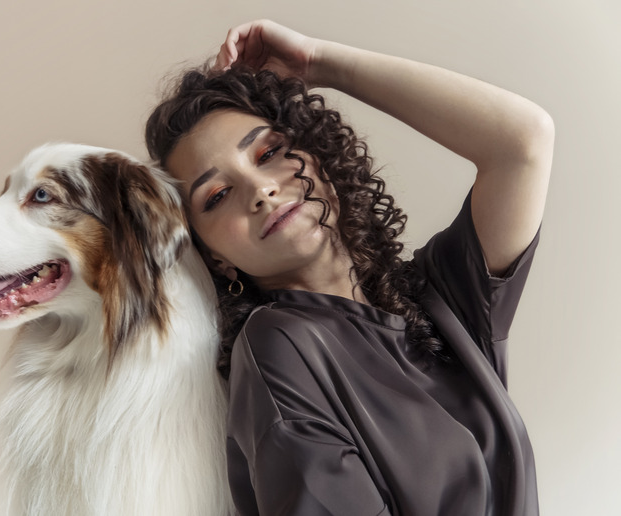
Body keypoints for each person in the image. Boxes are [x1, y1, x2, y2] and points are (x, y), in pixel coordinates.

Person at [145, 19, 553, 516]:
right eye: (218, 195)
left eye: (269, 152)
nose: (261, 190)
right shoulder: (277, 343)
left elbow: (523, 142)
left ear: (320, 156)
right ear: (213, 256)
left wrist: (319, 64)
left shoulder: (438, 296)